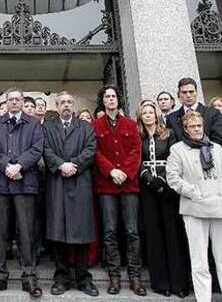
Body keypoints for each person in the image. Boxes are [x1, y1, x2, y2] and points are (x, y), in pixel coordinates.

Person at [0, 87, 44, 297]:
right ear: (6, 102)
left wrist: (19, 166)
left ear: (22, 101)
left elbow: (37, 149)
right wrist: (7, 167)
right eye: (10, 99)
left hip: (25, 182)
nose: (14, 102)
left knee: (26, 232)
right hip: (1, 183)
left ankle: (29, 276)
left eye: (18, 99)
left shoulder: (34, 124)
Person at [92, 85, 146, 296]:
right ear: (103, 101)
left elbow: (136, 151)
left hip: (129, 185)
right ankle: (114, 276)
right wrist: (111, 171)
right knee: (110, 231)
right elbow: (95, 153)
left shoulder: (131, 125)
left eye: (114, 96)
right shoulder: (95, 125)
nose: (111, 99)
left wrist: (123, 172)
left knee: (132, 231)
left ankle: (135, 276)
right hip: (107, 186)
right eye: (107, 96)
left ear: (118, 100)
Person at [44, 91, 98, 297]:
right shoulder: (48, 127)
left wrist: (73, 165)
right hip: (57, 182)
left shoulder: (86, 127)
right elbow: (46, 150)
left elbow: (90, 149)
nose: (66, 105)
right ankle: (61, 277)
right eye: (62, 103)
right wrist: (61, 165)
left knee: (82, 232)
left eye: (69, 102)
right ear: (56, 106)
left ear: (73, 105)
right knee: (58, 232)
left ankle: (84, 278)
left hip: (79, 182)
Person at [167, 111, 222, 302]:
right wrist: (193, 192)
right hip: (194, 207)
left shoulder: (217, 149)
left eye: (199, 125)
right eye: (192, 126)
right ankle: (203, 299)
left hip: (218, 206)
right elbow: (173, 178)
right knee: (199, 261)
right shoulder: (177, 149)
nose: (197, 129)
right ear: (186, 129)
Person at [137, 100, 189, 297]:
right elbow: (138, 160)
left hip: (169, 188)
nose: (148, 115)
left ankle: (179, 283)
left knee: (172, 233)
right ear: (141, 116)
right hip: (148, 187)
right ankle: (161, 283)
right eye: (145, 113)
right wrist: (150, 180)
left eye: (151, 112)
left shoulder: (169, 134)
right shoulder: (138, 136)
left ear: (156, 114)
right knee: (153, 233)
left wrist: (164, 179)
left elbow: (176, 158)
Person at [166, 77, 222, 144]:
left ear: (196, 92)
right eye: (184, 92)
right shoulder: (171, 118)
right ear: (179, 94)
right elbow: (172, 144)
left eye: (191, 92)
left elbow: (218, 139)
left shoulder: (213, 113)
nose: (188, 95)